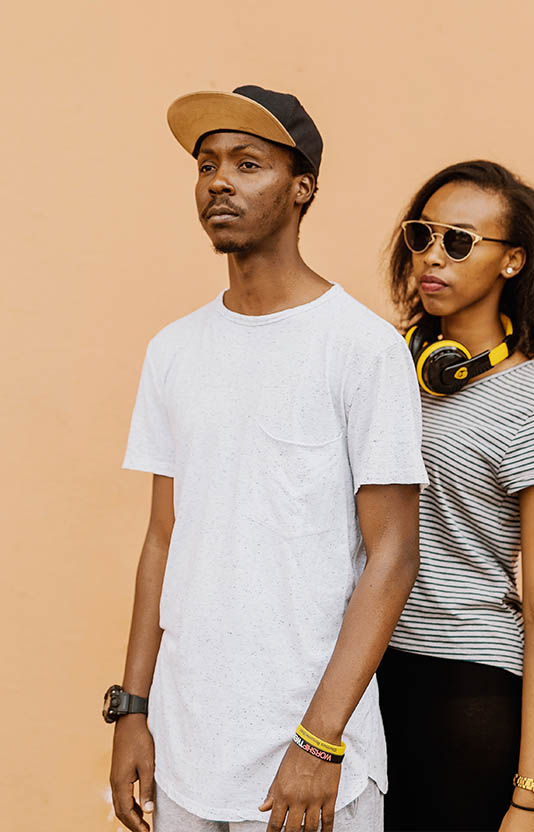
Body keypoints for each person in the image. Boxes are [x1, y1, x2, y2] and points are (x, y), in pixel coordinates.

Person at [106, 85, 428, 832]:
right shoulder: (173, 351)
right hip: (185, 750)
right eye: (207, 164)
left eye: (248, 164)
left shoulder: (363, 348)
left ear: (302, 187)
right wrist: (132, 709)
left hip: (311, 760)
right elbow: (163, 538)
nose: (219, 181)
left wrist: (320, 741)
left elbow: (394, 556)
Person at [376, 160, 534, 832]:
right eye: (422, 235)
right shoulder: (382, 373)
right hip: (365, 671)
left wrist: (533, 796)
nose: (433, 257)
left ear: (513, 262)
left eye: (460, 242)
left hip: (462, 690)